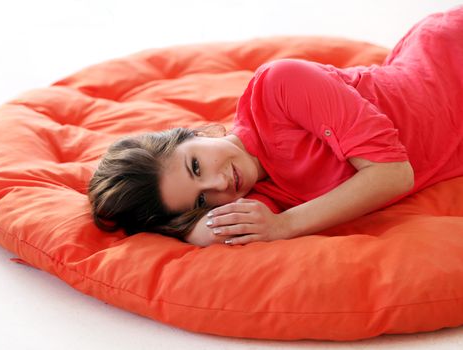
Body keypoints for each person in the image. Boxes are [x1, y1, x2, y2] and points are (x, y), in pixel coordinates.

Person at [88, 6, 463, 247]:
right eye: (201, 200)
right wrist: (184, 225)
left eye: (196, 165)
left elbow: (393, 174)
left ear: (198, 134)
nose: (220, 185)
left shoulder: (279, 87)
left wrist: (284, 226)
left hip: (450, 58)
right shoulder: (257, 199)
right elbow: (210, 237)